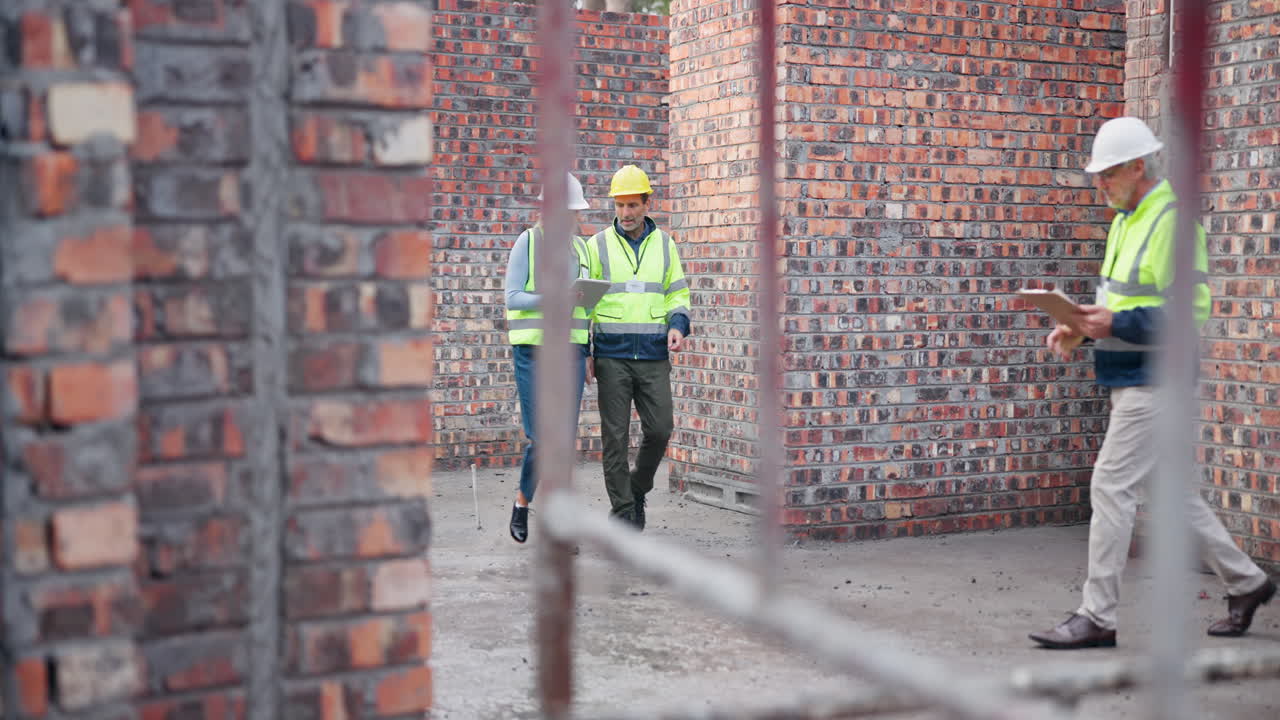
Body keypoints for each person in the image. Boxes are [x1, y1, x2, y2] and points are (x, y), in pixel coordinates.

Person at [1029, 117, 1275, 649]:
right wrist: (1078, 330)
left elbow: (1188, 315)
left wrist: (1111, 324)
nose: (1101, 186)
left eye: (1108, 175)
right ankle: (1248, 583)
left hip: (1156, 380)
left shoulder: (1174, 222)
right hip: (1130, 374)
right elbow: (1120, 306)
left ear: (1138, 167)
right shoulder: (1125, 220)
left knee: (1109, 484)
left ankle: (1097, 616)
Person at [584, 165, 691, 530]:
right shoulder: (596, 245)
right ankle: (622, 514)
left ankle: (637, 488)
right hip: (612, 356)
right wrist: (585, 350)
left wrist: (678, 325)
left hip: (653, 355)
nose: (626, 213)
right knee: (614, 438)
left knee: (661, 428)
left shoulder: (664, 244)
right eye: (620, 205)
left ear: (647, 203)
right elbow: (582, 303)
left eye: (632, 205)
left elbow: (677, 291)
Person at [504, 172, 593, 543]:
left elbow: (587, 306)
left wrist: (589, 349)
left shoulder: (582, 249)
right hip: (534, 352)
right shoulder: (528, 242)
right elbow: (513, 298)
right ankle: (523, 503)